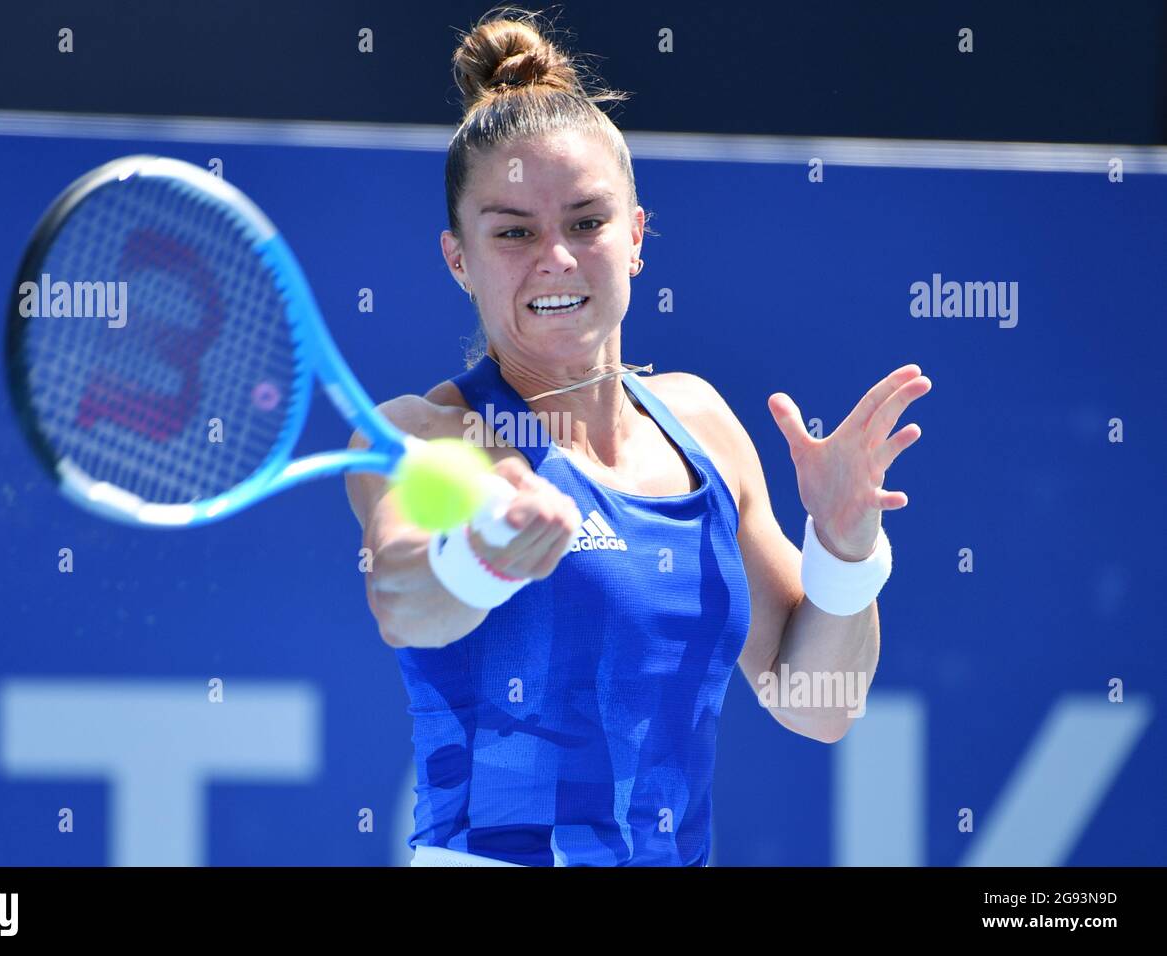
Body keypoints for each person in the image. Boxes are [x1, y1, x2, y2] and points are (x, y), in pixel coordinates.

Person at [345, 5, 930, 867]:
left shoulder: (700, 424)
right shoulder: (434, 439)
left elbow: (817, 704)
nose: (557, 257)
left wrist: (844, 550)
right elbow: (402, 598)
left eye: (587, 221)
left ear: (637, 237)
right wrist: (484, 554)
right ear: (458, 258)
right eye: (513, 231)